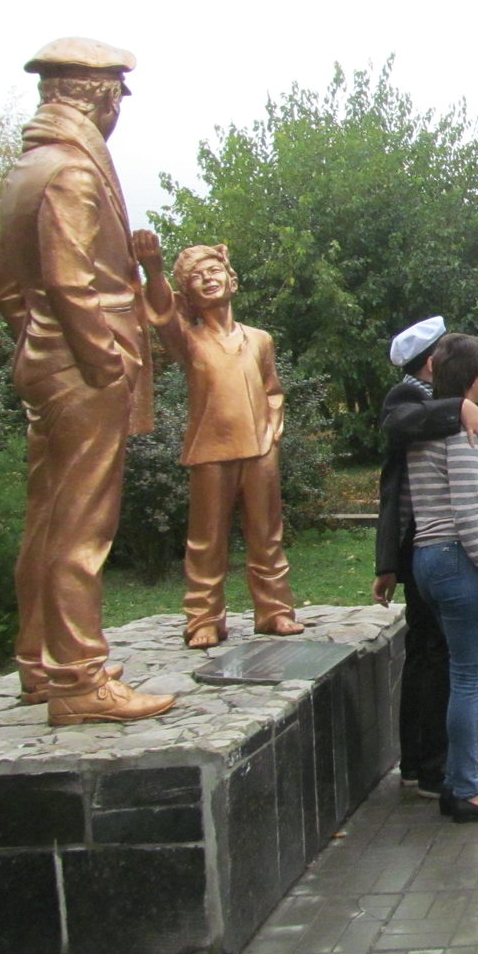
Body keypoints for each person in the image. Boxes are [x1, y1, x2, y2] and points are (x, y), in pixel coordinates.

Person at [0, 37, 173, 725]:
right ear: (97, 95)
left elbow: (7, 290)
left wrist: (35, 351)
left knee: (46, 515)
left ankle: (40, 659)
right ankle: (78, 679)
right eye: (117, 93)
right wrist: (106, 365)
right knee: (83, 523)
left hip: (48, 361)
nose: (120, 105)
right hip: (84, 365)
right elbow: (69, 284)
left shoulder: (29, 168)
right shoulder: (71, 173)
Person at [137, 237, 305, 648]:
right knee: (206, 539)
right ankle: (204, 618)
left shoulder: (260, 338)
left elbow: (272, 389)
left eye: (214, 271)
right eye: (196, 277)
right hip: (211, 449)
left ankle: (275, 611)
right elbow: (160, 316)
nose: (207, 279)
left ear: (232, 279)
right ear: (187, 294)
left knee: (267, 533)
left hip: (261, 448)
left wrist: (273, 432)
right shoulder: (188, 339)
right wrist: (154, 271)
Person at [407, 333, 478, 823]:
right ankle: (466, 789)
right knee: (471, 674)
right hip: (458, 559)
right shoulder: (462, 432)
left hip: (434, 559)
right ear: (471, 375)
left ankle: (458, 777)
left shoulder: (434, 424)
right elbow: (467, 512)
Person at [373, 317, 478, 798]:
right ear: (429, 363)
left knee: (430, 655)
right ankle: (429, 765)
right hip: (435, 549)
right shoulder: (408, 397)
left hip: (424, 547)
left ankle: (422, 762)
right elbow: (398, 430)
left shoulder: (428, 400)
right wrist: (459, 405)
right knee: (434, 659)